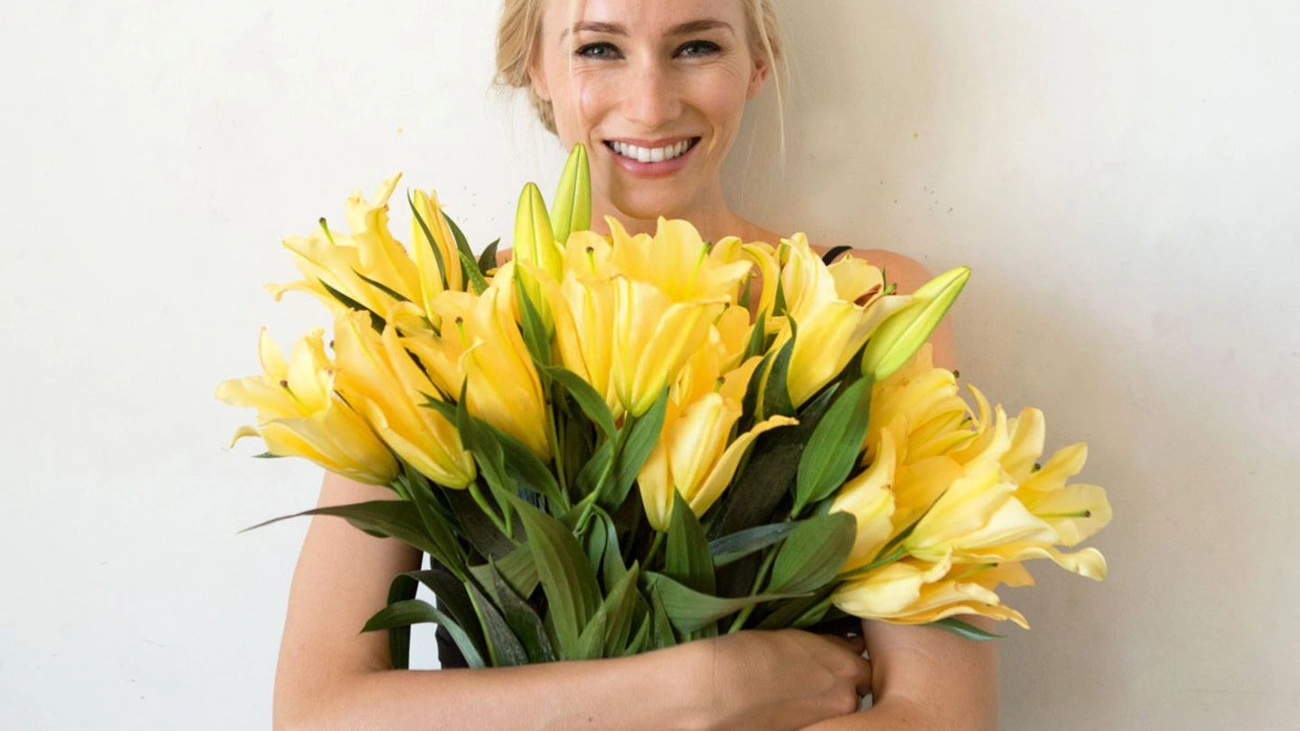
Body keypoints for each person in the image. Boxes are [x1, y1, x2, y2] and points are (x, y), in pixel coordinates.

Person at [272, 1, 998, 729]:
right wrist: (699, 690)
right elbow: (314, 715)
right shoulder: (427, 315)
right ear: (535, 66)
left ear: (757, 61)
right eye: (598, 49)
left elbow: (943, 716)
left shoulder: (869, 302)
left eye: (697, 47)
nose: (651, 106)